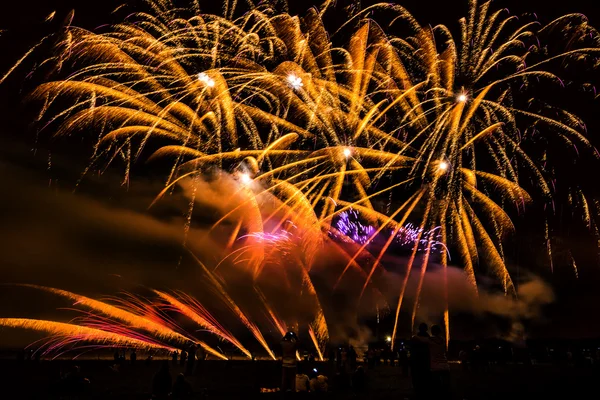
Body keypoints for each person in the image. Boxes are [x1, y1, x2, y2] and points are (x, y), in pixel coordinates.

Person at [410, 323, 431, 400]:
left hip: (417, 361)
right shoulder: (429, 338)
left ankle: (418, 391)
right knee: (425, 378)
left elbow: (412, 349)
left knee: (417, 378)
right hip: (425, 361)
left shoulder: (415, 338)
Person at [428, 325, 450, 397]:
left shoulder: (430, 340)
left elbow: (419, 339)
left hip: (435, 366)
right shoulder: (443, 340)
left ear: (432, 331)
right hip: (445, 365)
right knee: (445, 387)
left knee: (436, 387)